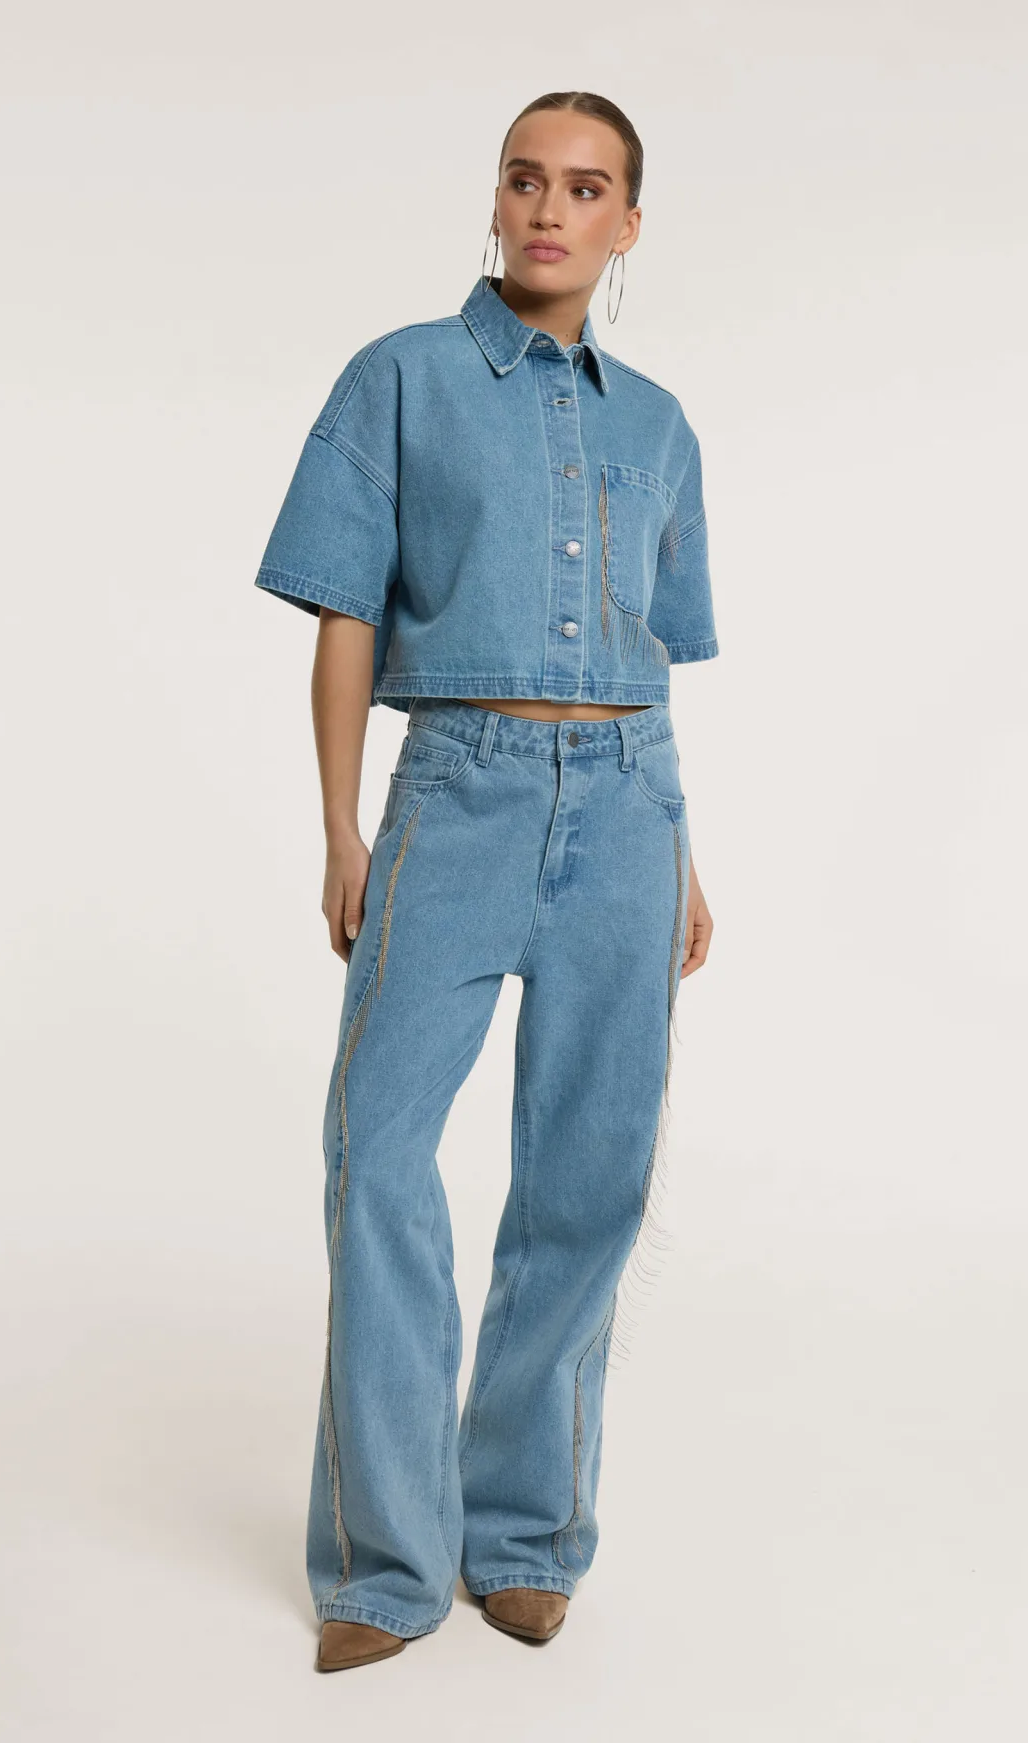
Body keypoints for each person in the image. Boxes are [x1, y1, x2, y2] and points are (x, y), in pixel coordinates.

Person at [253, 90, 719, 1673]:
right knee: (377, 1152)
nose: (548, 209)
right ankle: (384, 1561)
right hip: (454, 795)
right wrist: (342, 830)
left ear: (627, 225)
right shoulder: (399, 378)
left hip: (631, 811)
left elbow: (656, 661)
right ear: (497, 198)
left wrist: (685, 855)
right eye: (526, 179)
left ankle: (522, 1533)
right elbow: (345, 616)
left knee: (588, 1176)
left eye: (585, 189)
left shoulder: (661, 426)